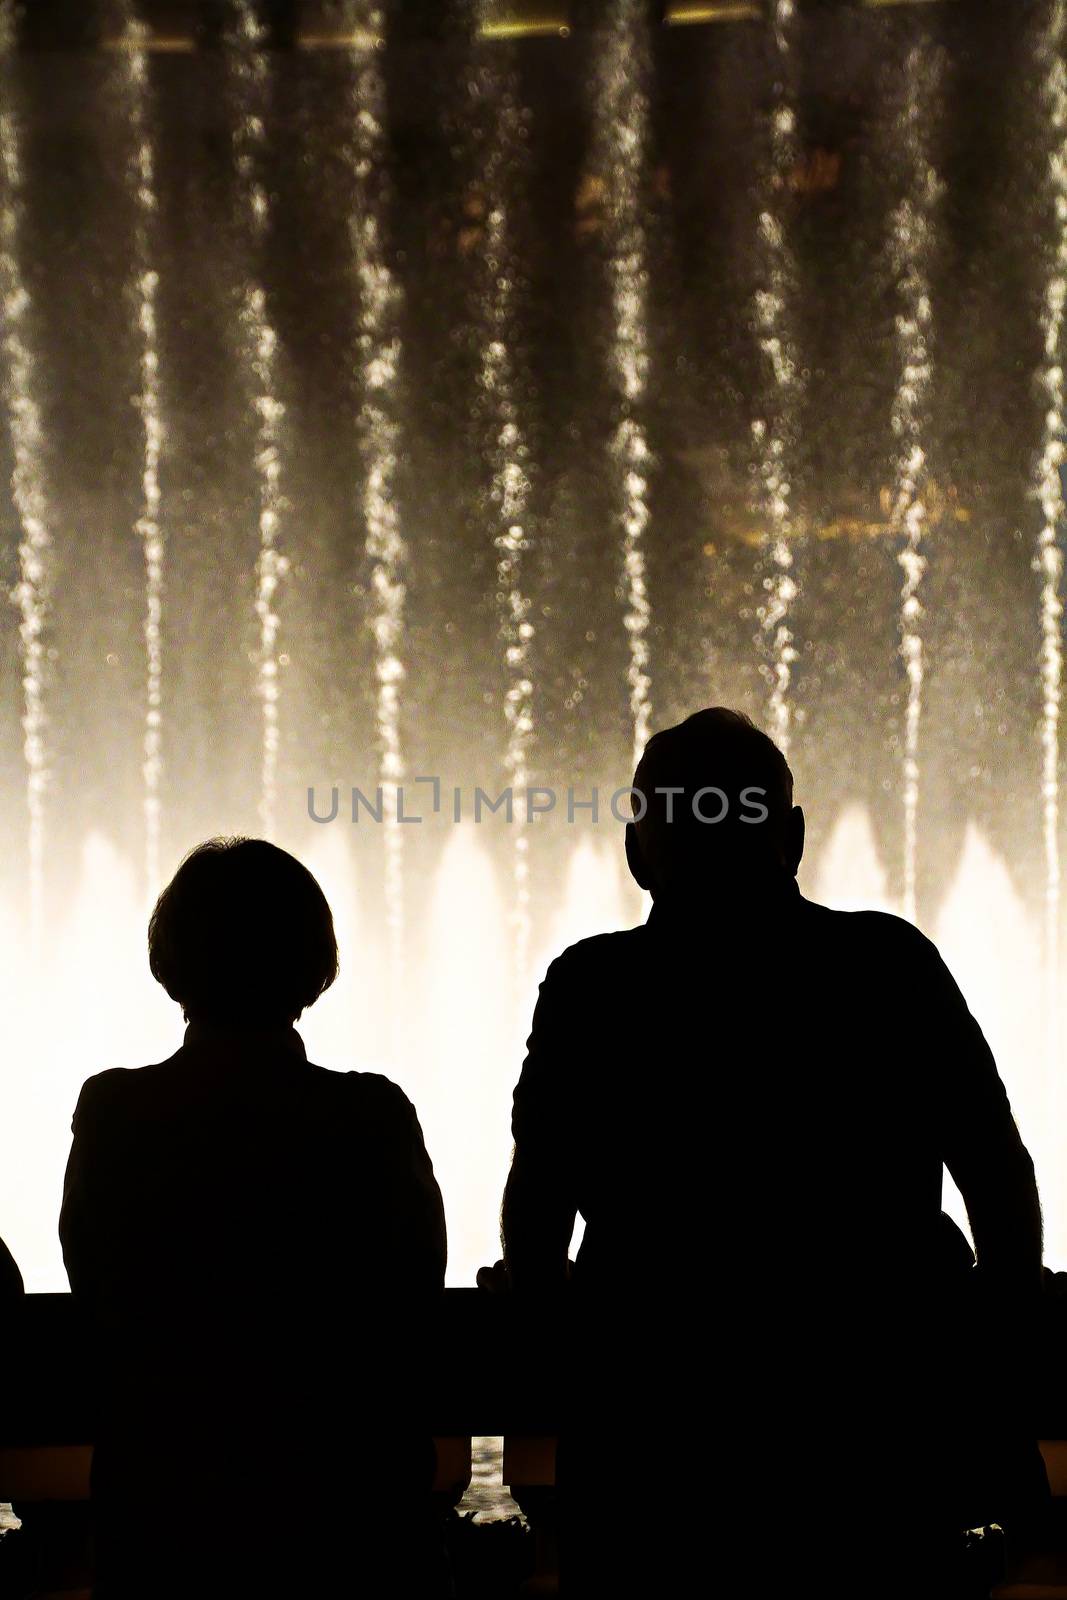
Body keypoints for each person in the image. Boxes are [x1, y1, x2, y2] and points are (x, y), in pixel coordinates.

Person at [487, 708, 1045, 1596]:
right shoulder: (888, 963)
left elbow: (540, 1193)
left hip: (657, 1420)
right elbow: (994, 1168)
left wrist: (541, 1304)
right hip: (871, 1420)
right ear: (788, 838)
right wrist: (999, 1335)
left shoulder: (594, 987)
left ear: (637, 850)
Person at [60, 837, 447, 1598]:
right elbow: (414, 1288)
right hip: (342, 1498)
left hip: (169, 1492)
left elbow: (96, 1278)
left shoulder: (116, 1111)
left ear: (169, 957)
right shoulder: (369, 1114)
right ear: (314, 961)